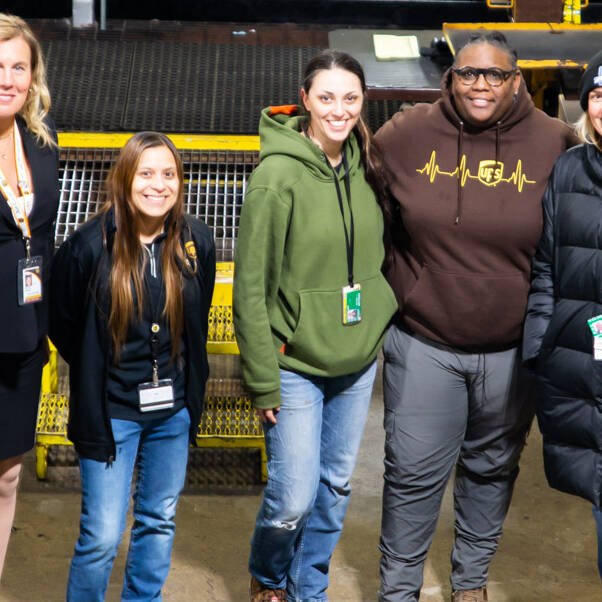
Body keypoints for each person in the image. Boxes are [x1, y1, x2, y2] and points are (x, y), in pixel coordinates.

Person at [374, 31, 577, 601]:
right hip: (425, 343)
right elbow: (362, 204)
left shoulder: (554, 143)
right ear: (450, 78)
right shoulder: (408, 135)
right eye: (468, 74)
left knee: (491, 472)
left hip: (513, 351)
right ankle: (399, 592)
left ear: (516, 80)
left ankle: (470, 586)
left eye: (495, 75)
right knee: (411, 477)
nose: (480, 85)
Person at [233, 49, 397, 602]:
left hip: (355, 360)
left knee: (334, 488)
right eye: (326, 97)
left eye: (350, 98)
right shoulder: (276, 177)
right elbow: (251, 288)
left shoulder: (365, 161)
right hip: (294, 361)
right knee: (293, 496)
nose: (339, 110)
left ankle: (310, 588)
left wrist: (378, 317)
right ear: (304, 99)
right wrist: (261, 377)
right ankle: (269, 574)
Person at [48, 131, 215, 600]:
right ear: (124, 179)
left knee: (157, 520)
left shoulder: (194, 240)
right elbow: (64, 324)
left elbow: (195, 322)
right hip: (111, 413)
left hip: (172, 411)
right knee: (101, 535)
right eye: (146, 173)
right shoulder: (87, 247)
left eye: (169, 174)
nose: (158, 185)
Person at [523, 49, 602, 580]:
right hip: (586, 371)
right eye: (599, 95)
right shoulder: (570, 170)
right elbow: (547, 269)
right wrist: (540, 348)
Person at [0, 13, 58, 578]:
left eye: (19, 65)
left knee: (8, 475)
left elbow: (41, 239)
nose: (8, 78)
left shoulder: (42, 141)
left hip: (22, 335)